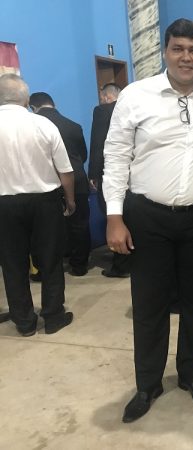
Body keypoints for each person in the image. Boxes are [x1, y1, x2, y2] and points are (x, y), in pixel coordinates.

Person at [102, 18, 193, 423]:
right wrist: (114, 216)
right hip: (148, 217)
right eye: (178, 48)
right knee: (149, 303)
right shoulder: (136, 96)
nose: (186, 57)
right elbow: (116, 156)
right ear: (165, 51)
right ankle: (148, 384)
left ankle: (192, 374)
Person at [0, 74, 75, 336]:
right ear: (26, 100)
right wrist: (70, 200)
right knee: (51, 259)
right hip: (45, 201)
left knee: (12, 263)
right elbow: (65, 170)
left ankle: (24, 321)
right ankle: (53, 316)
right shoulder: (43, 124)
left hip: (4, 204)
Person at [29, 92, 91, 276]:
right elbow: (82, 155)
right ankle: (79, 266)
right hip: (77, 179)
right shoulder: (73, 125)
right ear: (53, 104)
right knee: (79, 224)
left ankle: (46, 269)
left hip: (47, 182)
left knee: (45, 229)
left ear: (33, 107)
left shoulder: (33, 127)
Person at [88, 82, 131, 278]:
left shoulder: (102, 111)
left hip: (112, 172)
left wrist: (93, 174)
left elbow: (98, 144)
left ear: (106, 97)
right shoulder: (134, 107)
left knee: (115, 217)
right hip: (138, 174)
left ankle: (121, 265)